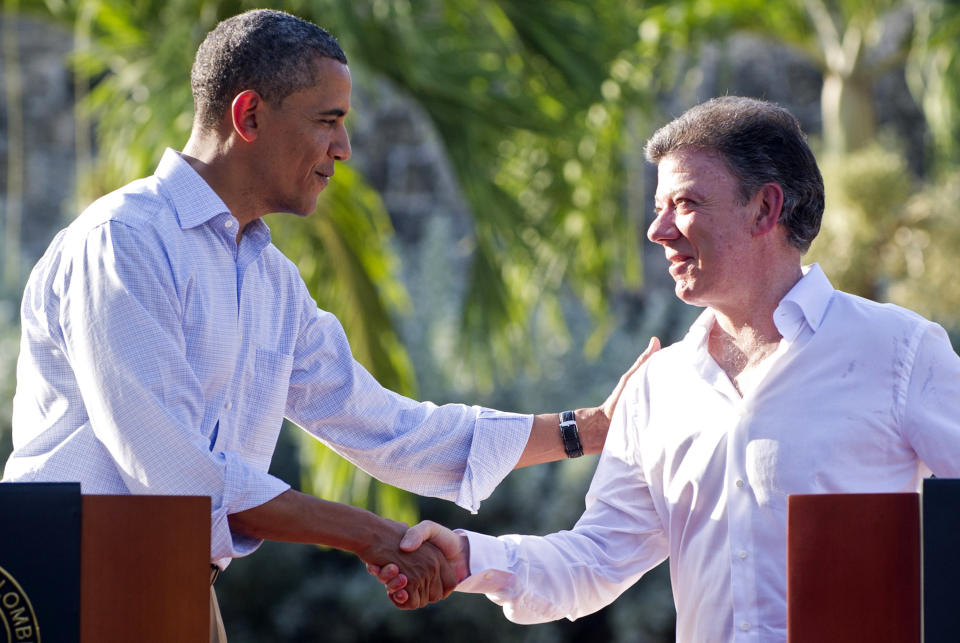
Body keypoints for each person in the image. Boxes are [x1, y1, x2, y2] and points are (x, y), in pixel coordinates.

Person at [0, 9, 657, 641]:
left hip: (175, 586)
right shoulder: (124, 241)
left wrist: (588, 429)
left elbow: (392, 429)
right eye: (327, 121)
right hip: (65, 586)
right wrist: (368, 532)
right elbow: (178, 475)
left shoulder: (272, 282)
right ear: (249, 115)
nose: (343, 148)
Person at [371, 96, 960, 641]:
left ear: (766, 207)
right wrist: (471, 559)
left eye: (685, 204)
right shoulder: (659, 386)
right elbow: (595, 560)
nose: (658, 231)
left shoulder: (901, 352)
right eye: (659, 208)